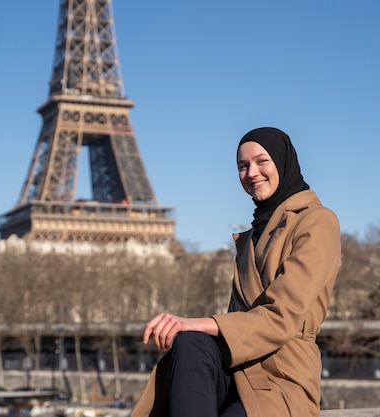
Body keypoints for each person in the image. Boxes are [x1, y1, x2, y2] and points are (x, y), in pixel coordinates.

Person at [131, 127, 341, 417]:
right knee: (190, 342)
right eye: (243, 166)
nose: (251, 172)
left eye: (262, 161)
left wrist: (200, 322)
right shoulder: (251, 237)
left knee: (194, 334)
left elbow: (282, 317)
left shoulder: (317, 221)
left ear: (283, 161)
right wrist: (193, 329)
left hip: (281, 375)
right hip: (239, 368)